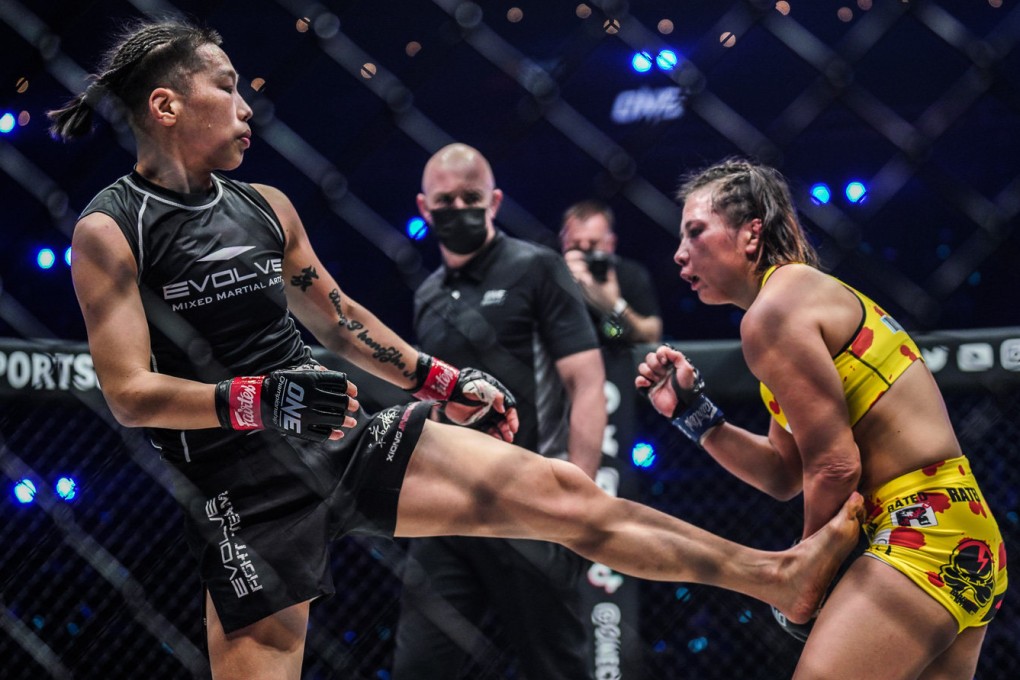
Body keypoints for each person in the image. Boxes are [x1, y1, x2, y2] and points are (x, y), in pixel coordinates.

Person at [51, 21, 865, 680]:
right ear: (165, 105)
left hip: (339, 431)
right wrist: (255, 400)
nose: (245, 105)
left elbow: (339, 320)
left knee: (561, 492)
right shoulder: (111, 228)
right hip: (243, 484)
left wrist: (443, 379)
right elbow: (127, 390)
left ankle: (774, 575)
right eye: (224, 86)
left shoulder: (266, 206)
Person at [636, 158, 1008, 680]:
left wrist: (809, 571)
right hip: (957, 531)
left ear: (751, 234)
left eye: (695, 231)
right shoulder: (794, 300)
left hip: (918, 536)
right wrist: (696, 416)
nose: (679, 254)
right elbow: (783, 473)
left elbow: (834, 465)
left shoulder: (776, 311)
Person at [393, 143, 605, 679]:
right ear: (424, 206)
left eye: (471, 197)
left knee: (555, 668)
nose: (458, 208)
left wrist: (578, 497)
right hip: (445, 508)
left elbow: (587, 381)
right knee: (419, 668)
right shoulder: (429, 294)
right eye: (446, 199)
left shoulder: (536, 268)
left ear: (495, 201)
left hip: (528, 504)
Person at [560, 199, 662, 347]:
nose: (584, 249)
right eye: (575, 244)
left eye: (593, 243)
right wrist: (562, 283)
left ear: (610, 243)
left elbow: (652, 336)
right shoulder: (550, 275)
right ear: (563, 242)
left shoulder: (630, 274)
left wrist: (614, 305)